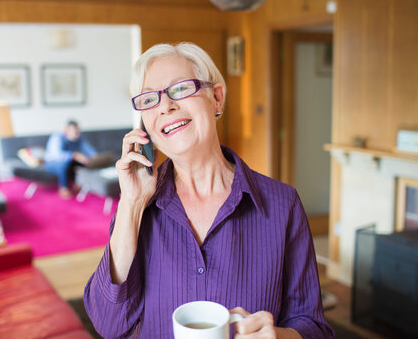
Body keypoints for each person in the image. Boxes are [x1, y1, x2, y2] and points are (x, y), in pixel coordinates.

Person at [84, 42, 334, 338]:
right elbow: (108, 325)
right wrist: (132, 204)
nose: (165, 106)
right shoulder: (136, 206)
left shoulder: (282, 204)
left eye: (179, 89)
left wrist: (280, 337)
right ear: (146, 125)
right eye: (149, 99)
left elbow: (314, 327)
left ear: (216, 98)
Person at [45, 120, 97, 199]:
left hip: (70, 162)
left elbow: (89, 150)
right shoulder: (57, 137)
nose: (76, 133)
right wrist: (75, 155)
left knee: (84, 162)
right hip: (53, 163)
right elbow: (57, 155)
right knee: (64, 162)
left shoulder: (79, 138)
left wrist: (94, 158)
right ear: (66, 130)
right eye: (74, 131)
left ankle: (78, 184)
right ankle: (63, 188)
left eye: (77, 131)